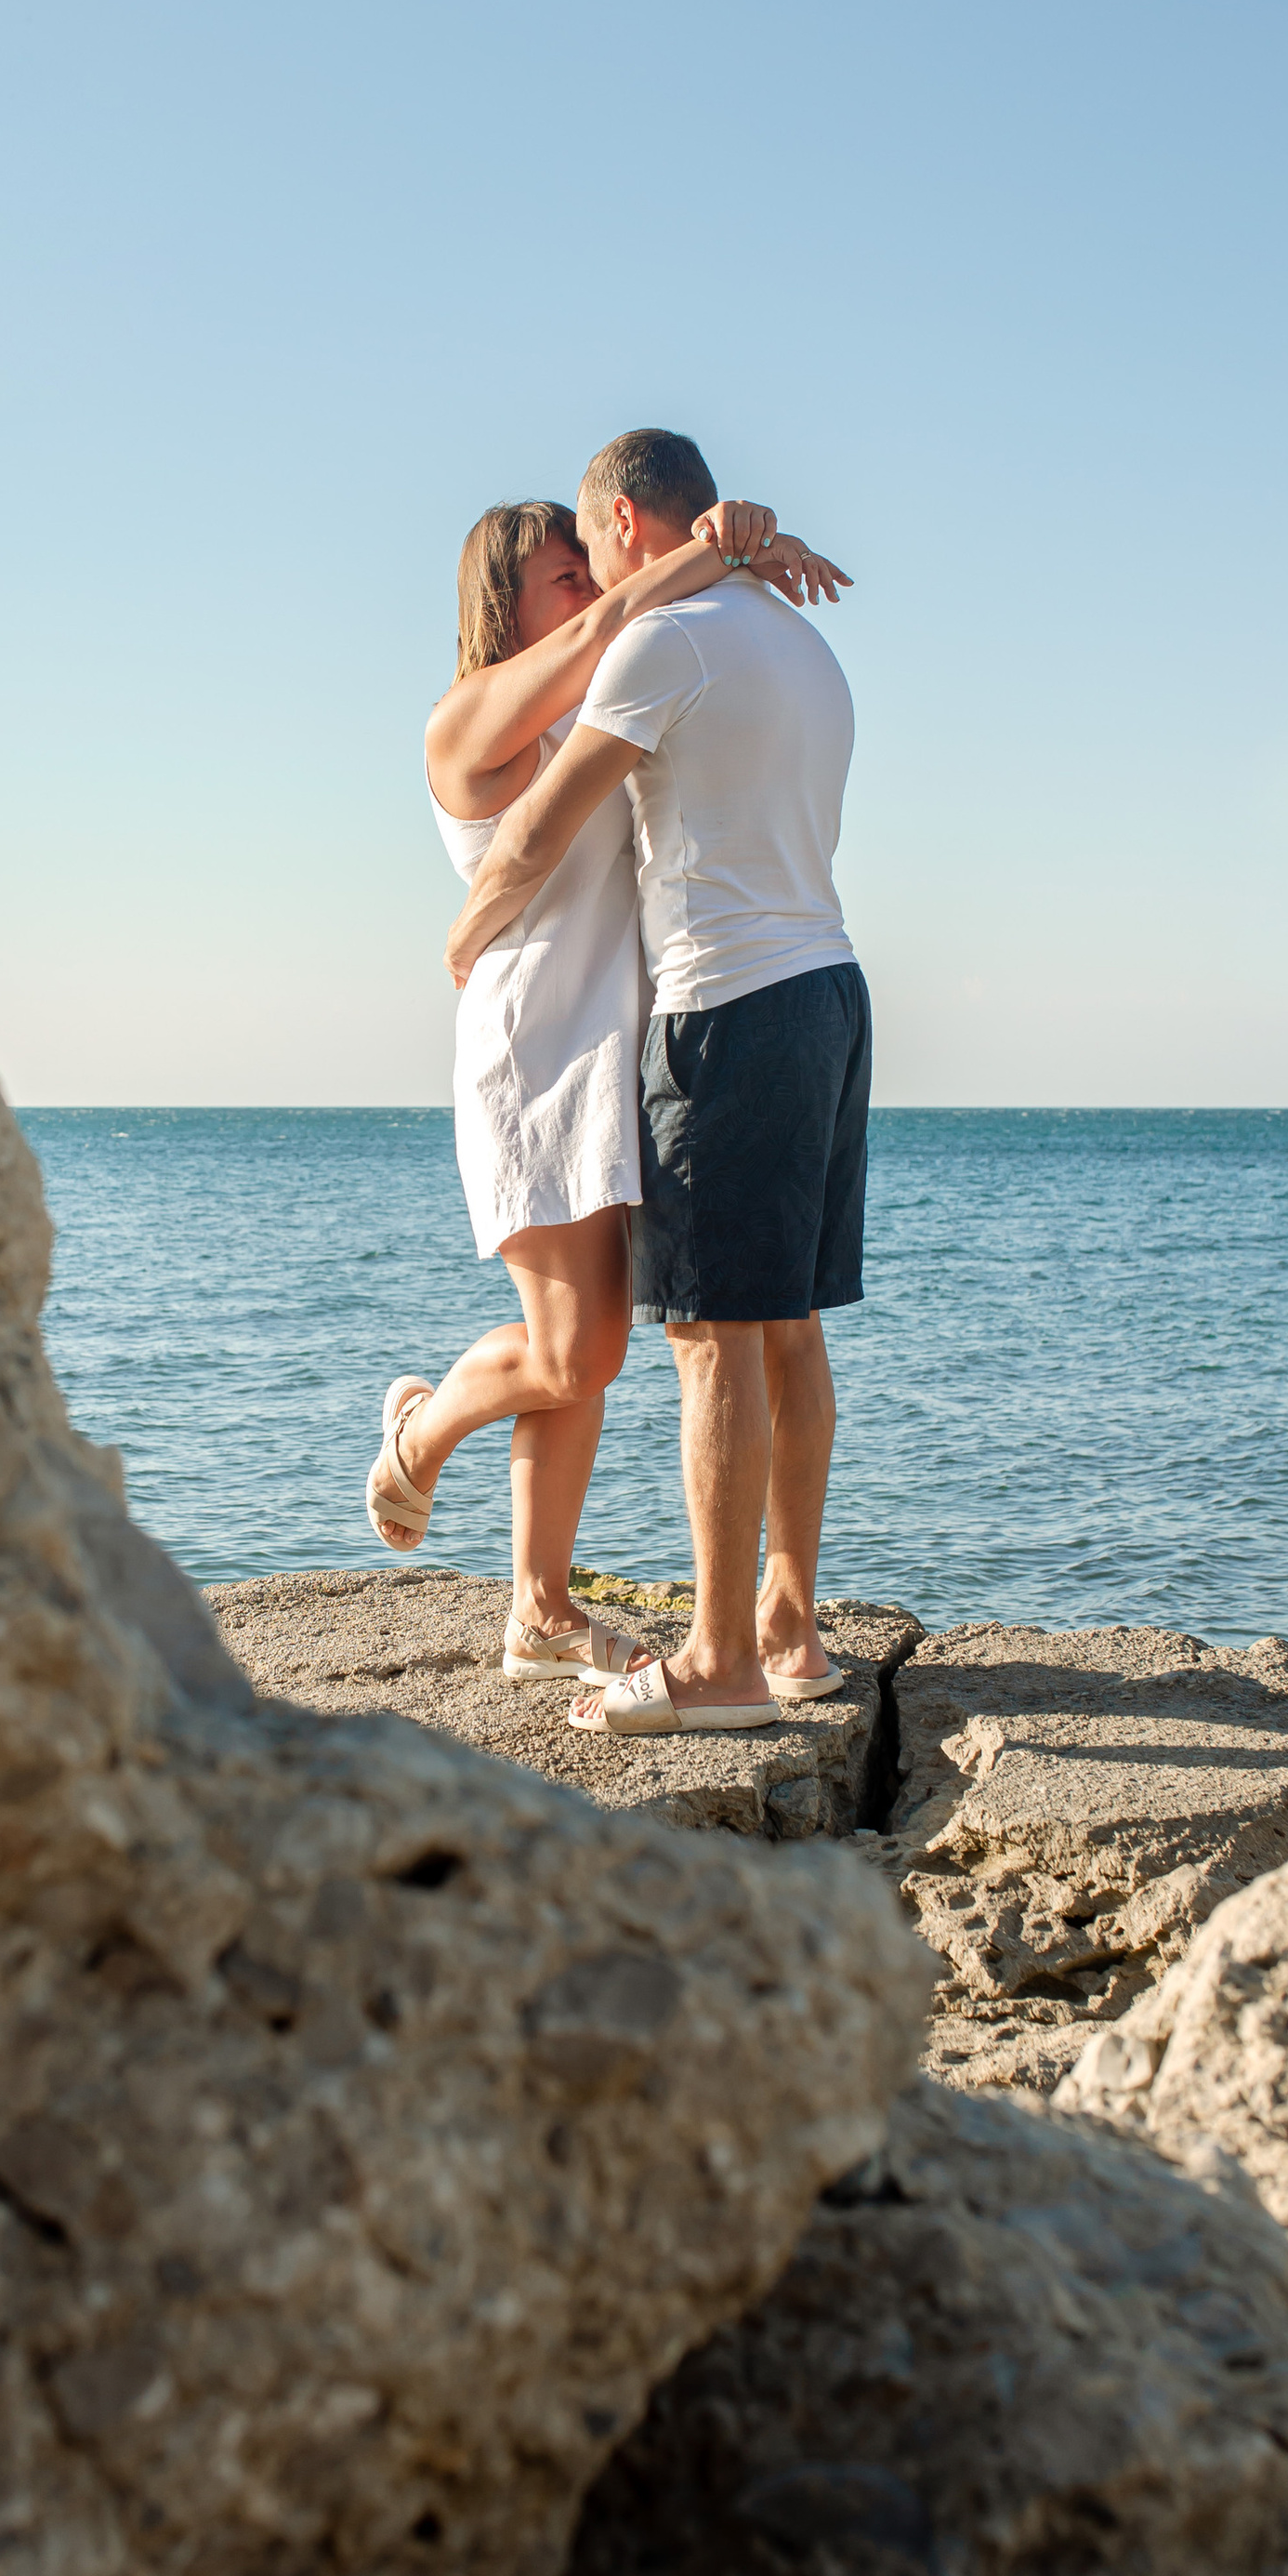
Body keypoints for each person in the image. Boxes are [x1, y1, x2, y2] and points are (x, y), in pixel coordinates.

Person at [368, 484, 848, 1690]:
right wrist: (700, 549)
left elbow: (652, 665)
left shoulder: (613, 692)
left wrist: (736, 554)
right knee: (577, 1354)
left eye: (592, 566)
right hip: (534, 1048)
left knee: (582, 1347)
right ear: (506, 600)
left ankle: (537, 1610)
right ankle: (420, 1432)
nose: (588, 591)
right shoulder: (465, 719)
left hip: (621, 1043)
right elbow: (603, 638)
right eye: (563, 576)